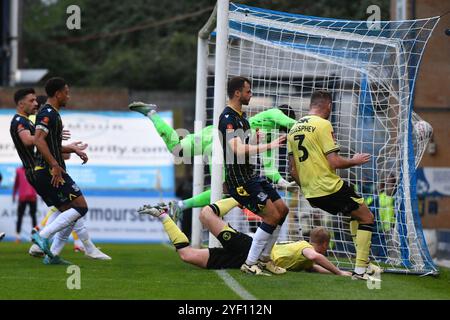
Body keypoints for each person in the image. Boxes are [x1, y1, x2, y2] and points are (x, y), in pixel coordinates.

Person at [128, 102, 297, 219]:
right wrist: (314, 127)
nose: (282, 129)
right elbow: (294, 124)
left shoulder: (267, 133)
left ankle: (151, 113)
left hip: (211, 135)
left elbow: (269, 168)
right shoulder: (275, 114)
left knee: (177, 148)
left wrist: (285, 183)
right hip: (222, 146)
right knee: (225, 188)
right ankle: (181, 207)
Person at [287, 90, 381, 281]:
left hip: (311, 192)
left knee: (356, 214)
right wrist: (355, 160)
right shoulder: (323, 124)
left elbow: (292, 170)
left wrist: (307, 191)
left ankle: (365, 262)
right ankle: (360, 271)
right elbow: (335, 162)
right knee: (367, 217)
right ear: (328, 105)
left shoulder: (293, 128)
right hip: (329, 187)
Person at [138, 200, 351, 276]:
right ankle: (236, 197)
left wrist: (337, 273)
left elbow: (315, 267)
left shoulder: (304, 260)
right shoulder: (306, 248)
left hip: (242, 261)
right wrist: (340, 271)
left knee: (186, 255)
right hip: (249, 250)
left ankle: (164, 215)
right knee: (206, 214)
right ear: (323, 243)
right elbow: (317, 258)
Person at [22, 80, 110, 263]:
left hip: (48, 169)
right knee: (81, 207)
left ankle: (51, 254)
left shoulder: (53, 114)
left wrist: (72, 149)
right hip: (48, 170)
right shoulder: (47, 113)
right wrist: (55, 165)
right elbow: (38, 141)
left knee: (69, 212)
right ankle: (42, 237)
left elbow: (50, 145)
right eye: (66, 92)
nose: (68, 96)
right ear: (57, 94)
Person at [217, 76, 291, 275]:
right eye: (248, 91)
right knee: (272, 215)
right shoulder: (227, 118)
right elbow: (237, 150)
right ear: (237, 93)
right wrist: (269, 145)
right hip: (239, 181)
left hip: (252, 176)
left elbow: (245, 145)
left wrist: (255, 138)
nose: (251, 94)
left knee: (282, 210)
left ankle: (265, 260)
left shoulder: (243, 117)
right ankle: (250, 263)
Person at [13, 166, 38, 242]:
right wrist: (14, 194)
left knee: (33, 217)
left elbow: (37, 183)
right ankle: (17, 236)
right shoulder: (18, 170)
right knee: (20, 216)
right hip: (22, 198)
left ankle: (35, 236)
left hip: (32, 197)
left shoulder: (33, 169)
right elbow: (16, 183)